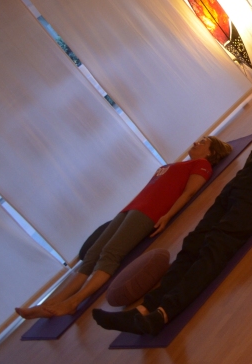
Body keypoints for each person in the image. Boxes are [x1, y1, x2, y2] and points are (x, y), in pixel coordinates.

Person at [93, 82, 252, 336]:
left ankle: (163, 313)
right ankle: (144, 309)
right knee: (194, 243)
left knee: (217, 245)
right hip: (245, 176)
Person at [15, 136, 232, 319]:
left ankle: (73, 302)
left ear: (211, 152)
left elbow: (189, 192)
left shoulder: (202, 165)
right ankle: (51, 303)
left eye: (203, 142)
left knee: (110, 253)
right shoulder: (178, 164)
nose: (195, 143)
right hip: (132, 208)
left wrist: (167, 216)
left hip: (150, 212)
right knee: (92, 254)